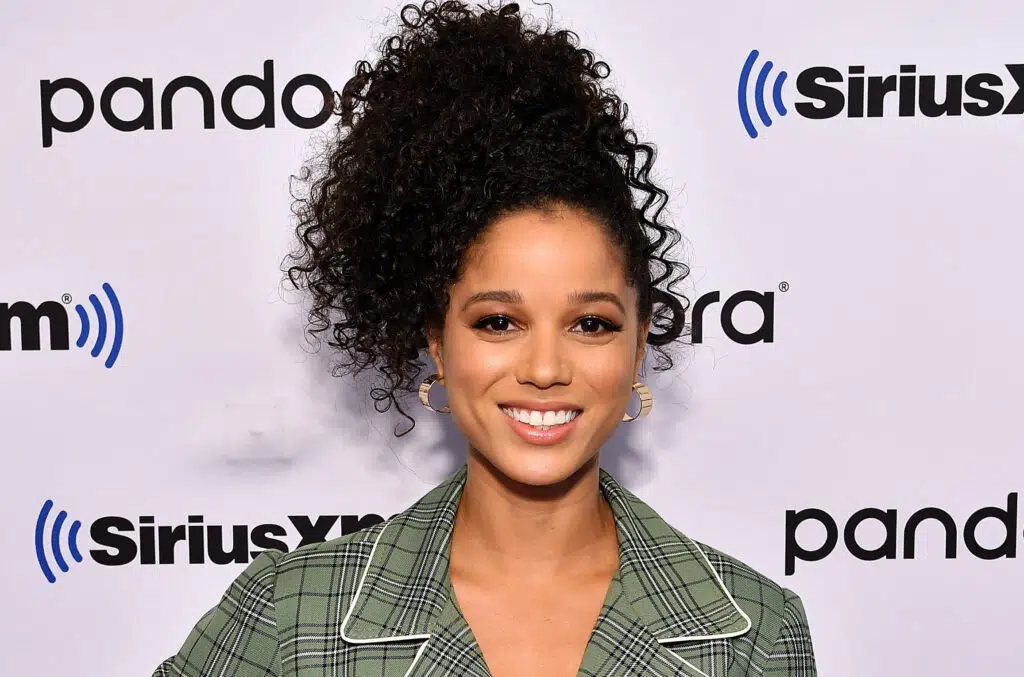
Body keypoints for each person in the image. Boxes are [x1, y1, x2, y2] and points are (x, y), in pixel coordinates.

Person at [153, 1, 817, 675]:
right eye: (499, 321)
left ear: (638, 345)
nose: (546, 368)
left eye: (591, 324)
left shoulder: (754, 634)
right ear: (438, 343)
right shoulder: (292, 617)